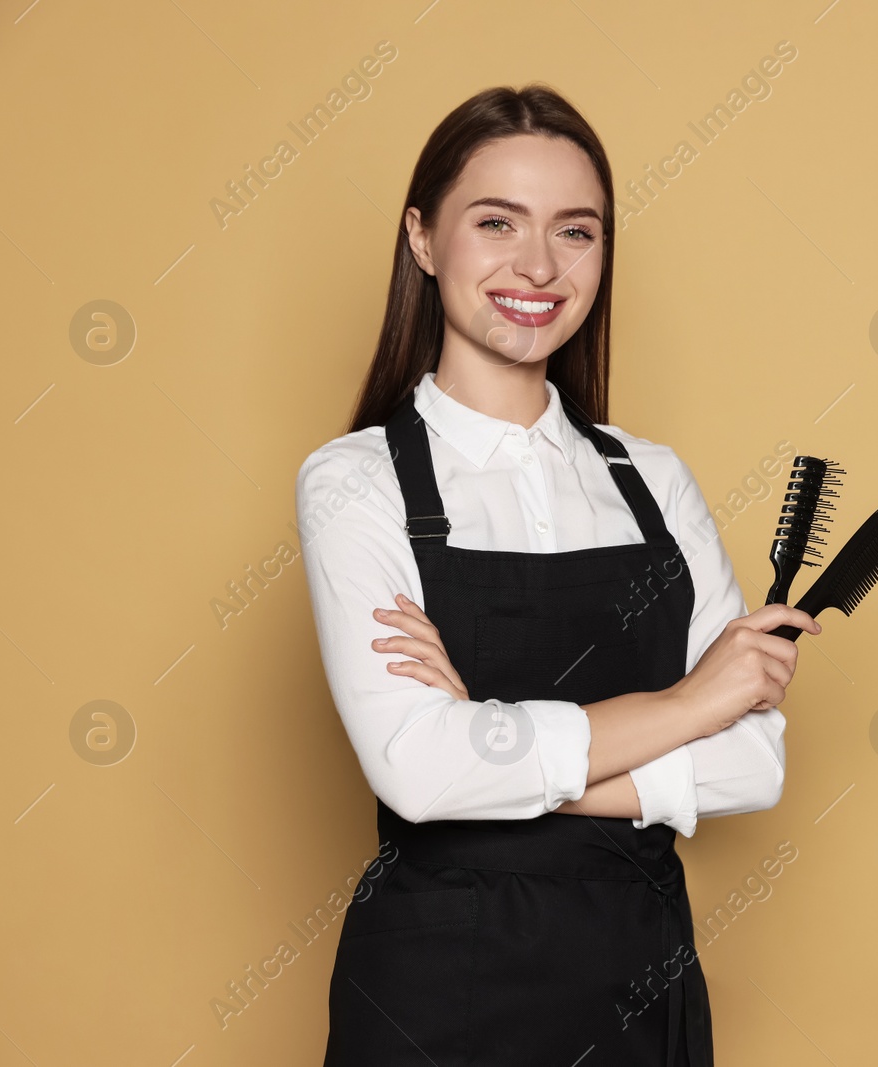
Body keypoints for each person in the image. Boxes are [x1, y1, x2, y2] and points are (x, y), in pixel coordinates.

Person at [295, 84, 819, 1066]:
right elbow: (416, 770)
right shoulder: (354, 479)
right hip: (433, 996)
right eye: (497, 222)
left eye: (575, 231)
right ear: (421, 236)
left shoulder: (653, 478)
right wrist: (692, 700)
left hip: (640, 983)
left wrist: (491, 738)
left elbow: (753, 764)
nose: (538, 265)